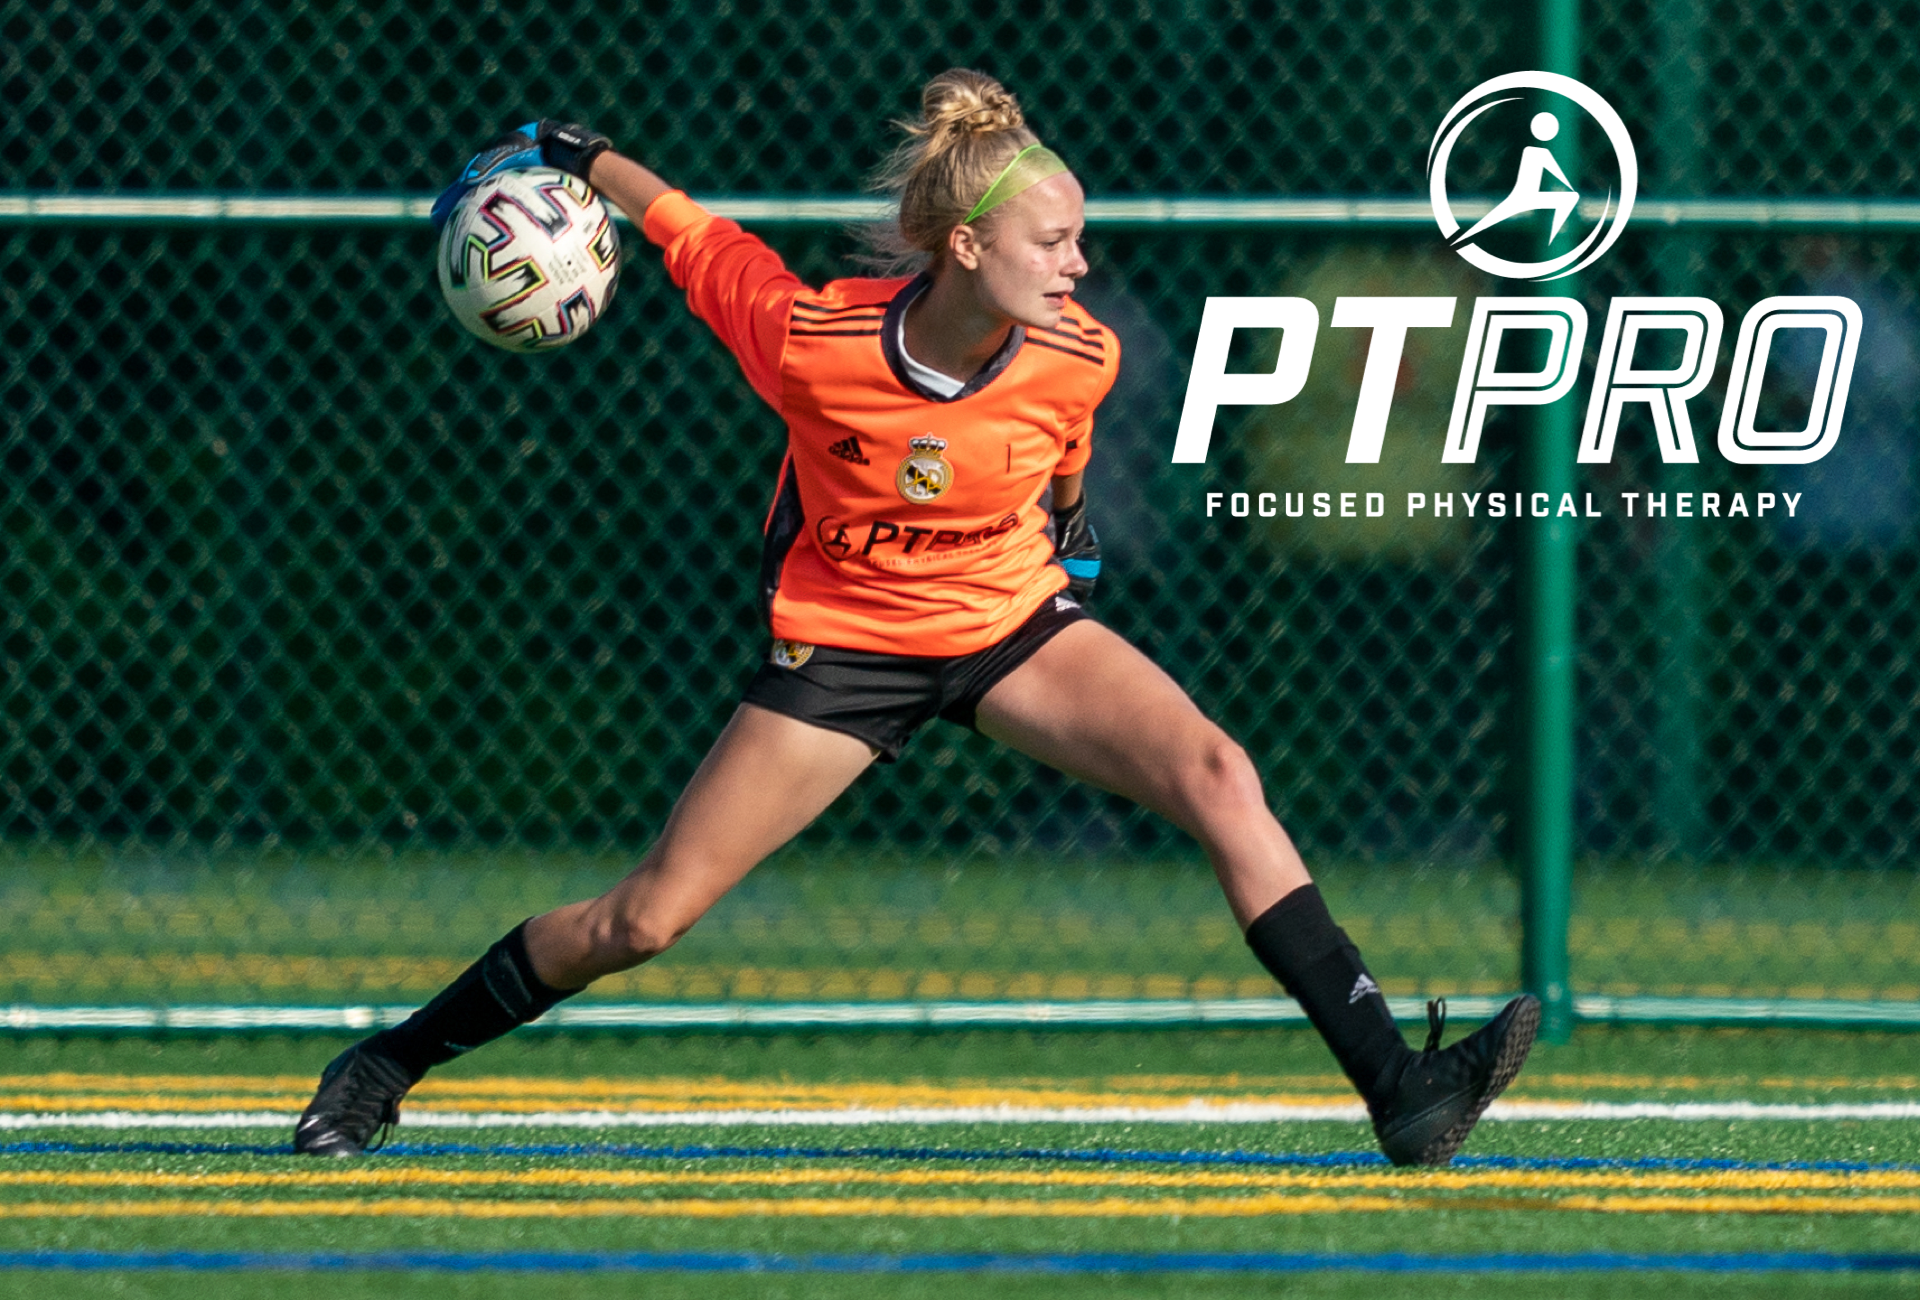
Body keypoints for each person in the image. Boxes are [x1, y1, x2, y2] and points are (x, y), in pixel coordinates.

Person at [296, 69, 1538, 1165]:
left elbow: (1064, 455)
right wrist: (573, 157)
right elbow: (685, 231)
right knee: (644, 917)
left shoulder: (1080, 349)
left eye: (1079, 240)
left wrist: (1071, 533)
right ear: (959, 245)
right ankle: (382, 1066)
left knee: (1218, 769)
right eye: (1054, 242)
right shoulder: (810, 339)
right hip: (844, 652)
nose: (1078, 264)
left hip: (1009, 624)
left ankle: (1402, 1093)